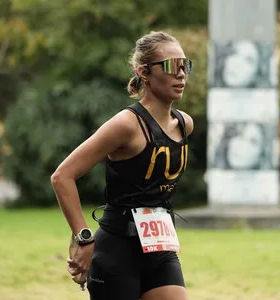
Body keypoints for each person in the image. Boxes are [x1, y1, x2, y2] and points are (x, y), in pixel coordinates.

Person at [51, 31, 194, 300]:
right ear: (144, 72)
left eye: (185, 65)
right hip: (116, 252)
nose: (181, 74)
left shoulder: (184, 124)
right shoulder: (127, 125)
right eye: (171, 66)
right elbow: (63, 176)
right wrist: (83, 238)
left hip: (160, 251)